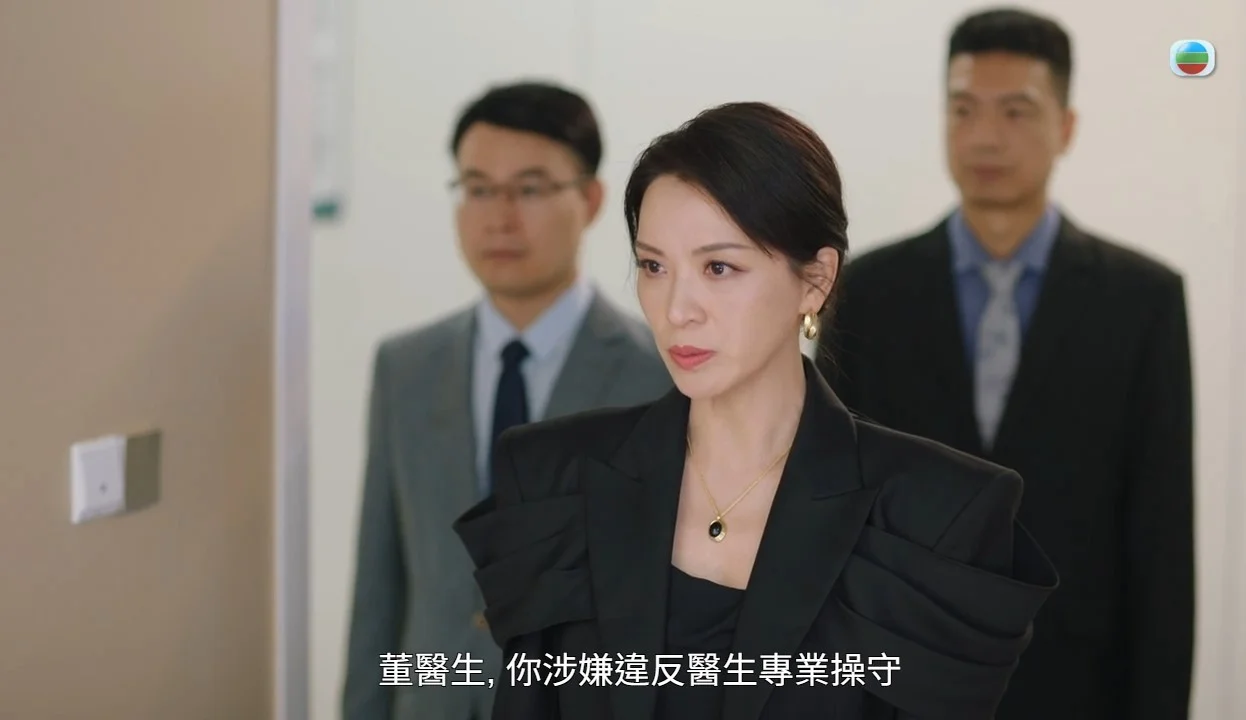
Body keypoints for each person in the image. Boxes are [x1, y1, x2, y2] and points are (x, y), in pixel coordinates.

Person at [454, 101, 1058, 720]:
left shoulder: (939, 518)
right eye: (654, 266)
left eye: (719, 267)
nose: (677, 309)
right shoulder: (553, 480)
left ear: (816, 280)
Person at [815, 8, 1195, 720]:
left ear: (1066, 127)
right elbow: (830, 508)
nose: (985, 136)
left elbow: (1161, 538)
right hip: (899, 679)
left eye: (1016, 111)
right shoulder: (866, 291)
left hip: (1074, 684)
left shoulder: (1142, 301)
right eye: (964, 109)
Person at [342, 81, 673, 720]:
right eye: (477, 189)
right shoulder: (405, 369)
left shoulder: (657, 376)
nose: (500, 217)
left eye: (530, 189)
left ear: (590, 199)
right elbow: (379, 588)